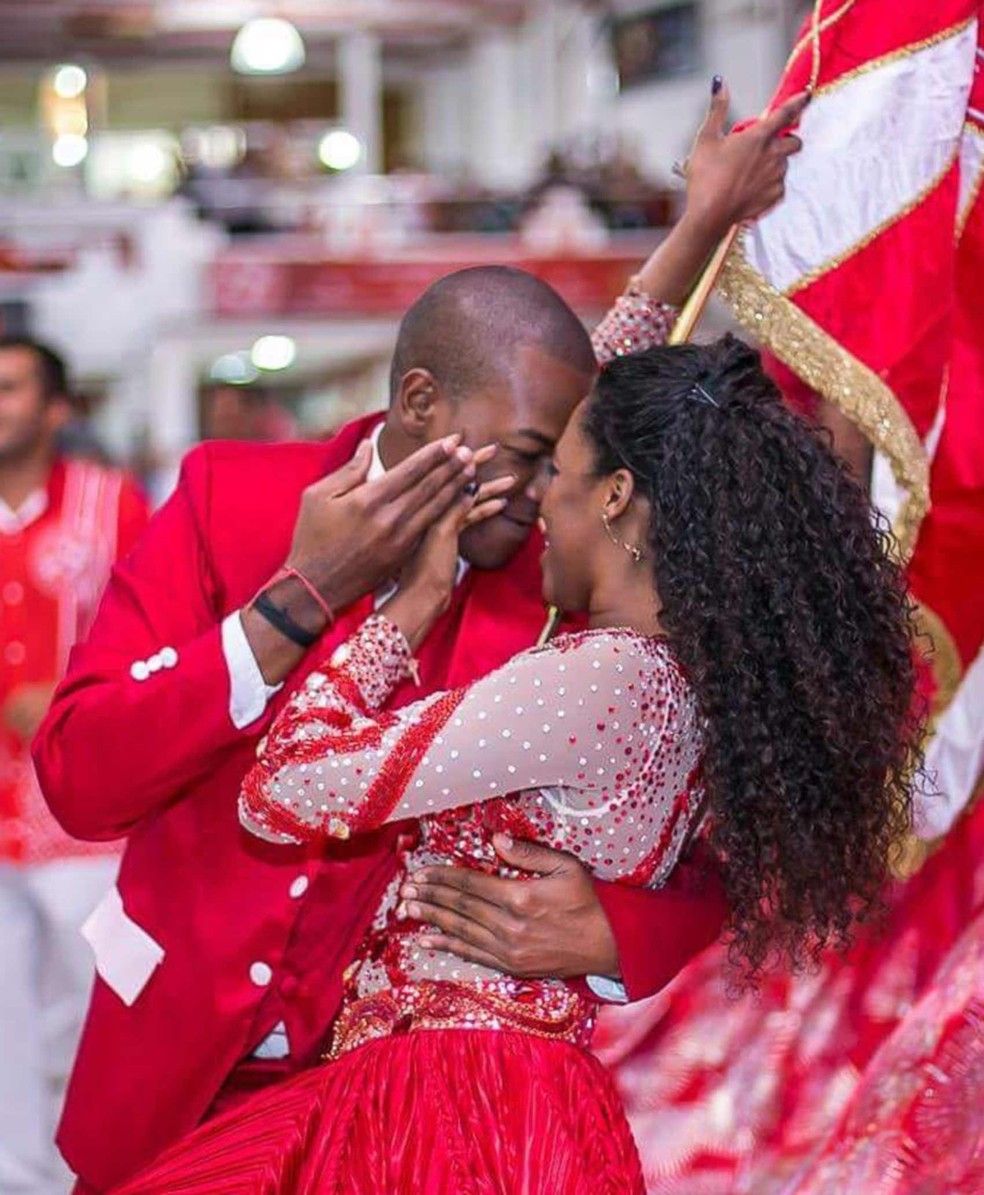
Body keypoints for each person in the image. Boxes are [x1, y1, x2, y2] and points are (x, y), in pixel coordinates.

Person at [34, 82, 807, 1192]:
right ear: (422, 402)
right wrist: (295, 605)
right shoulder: (229, 498)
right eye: (529, 459)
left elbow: (719, 838)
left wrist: (619, 934)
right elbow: (81, 778)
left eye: (559, 470)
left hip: (410, 1120)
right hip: (173, 1083)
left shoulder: (553, 588)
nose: (548, 494)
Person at [114, 329, 920, 1193]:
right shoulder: (687, 680)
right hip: (516, 1088)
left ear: (615, 496)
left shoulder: (599, 681)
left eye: (557, 474)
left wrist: (402, 606)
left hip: (444, 1100)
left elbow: (285, 787)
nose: (538, 502)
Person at [0, 336, 148, 1194]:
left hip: (80, 813)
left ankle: (77, 1175)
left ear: (57, 409)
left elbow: (160, 634)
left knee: (84, 1012)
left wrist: (70, 693)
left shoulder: (111, 503)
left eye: (12, 387)